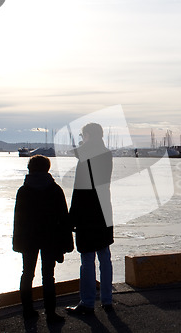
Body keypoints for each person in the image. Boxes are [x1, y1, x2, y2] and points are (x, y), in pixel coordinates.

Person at [13, 155, 73, 323]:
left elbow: (18, 220)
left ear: (30, 169)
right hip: (50, 238)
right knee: (48, 276)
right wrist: (66, 243)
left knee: (27, 274)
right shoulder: (55, 189)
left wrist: (17, 242)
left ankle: (27, 311)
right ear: (47, 168)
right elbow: (63, 218)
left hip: (28, 239)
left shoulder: (23, 191)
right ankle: (51, 314)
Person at [66, 123, 114, 315]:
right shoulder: (106, 154)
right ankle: (107, 300)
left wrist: (72, 217)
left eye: (82, 135)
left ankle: (87, 303)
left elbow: (80, 191)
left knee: (87, 258)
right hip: (103, 210)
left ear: (87, 135)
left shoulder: (85, 157)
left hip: (87, 213)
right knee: (104, 255)